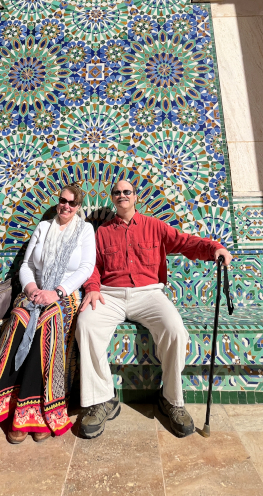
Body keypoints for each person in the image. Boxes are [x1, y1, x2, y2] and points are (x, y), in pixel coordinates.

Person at [76, 179, 232, 439]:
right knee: (86, 326)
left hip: (148, 294)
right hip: (110, 294)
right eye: (117, 193)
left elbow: (186, 243)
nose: (122, 195)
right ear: (112, 198)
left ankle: (171, 400)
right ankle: (102, 399)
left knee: (175, 330)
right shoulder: (102, 232)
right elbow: (91, 265)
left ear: (135, 197)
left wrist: (215, 248)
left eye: (127, 192)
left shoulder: (154, 226)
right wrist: (92, 287)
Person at [0, 184, 96, 443]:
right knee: (18, 321)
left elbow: (85, 268)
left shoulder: (85, 230)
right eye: (62, 201)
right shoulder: (44, 227)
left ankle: (35, 410)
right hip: (34, 290)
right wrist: (32, 288)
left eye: (72, 203)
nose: (66, 206)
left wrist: (56, 293)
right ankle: (6, 403)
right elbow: (26, 265)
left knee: (47, 324)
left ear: (78, 206)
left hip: (65, 295)